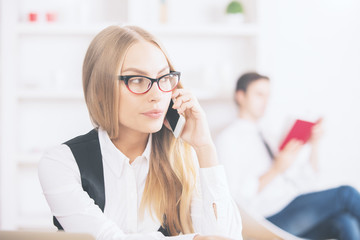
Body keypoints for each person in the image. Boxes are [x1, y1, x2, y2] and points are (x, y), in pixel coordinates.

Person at [38, 25, 243, 240]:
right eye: (137, 79)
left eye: (164, 78)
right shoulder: (61, 163)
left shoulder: (184, 158)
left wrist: (205, 148)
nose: (156, 95)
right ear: (100, 90)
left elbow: (226, 237)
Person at [216, 72, 360, 240]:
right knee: (345, 194)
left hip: (291, 204)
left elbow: (307, 179)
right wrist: (276, 169)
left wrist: (314, 144)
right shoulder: (228, 139)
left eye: (267, 95)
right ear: (240, 96)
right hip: (268, 217)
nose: (265, 101)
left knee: (344, 221)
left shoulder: (269, 135)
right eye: (259, 94)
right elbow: (236, 198)